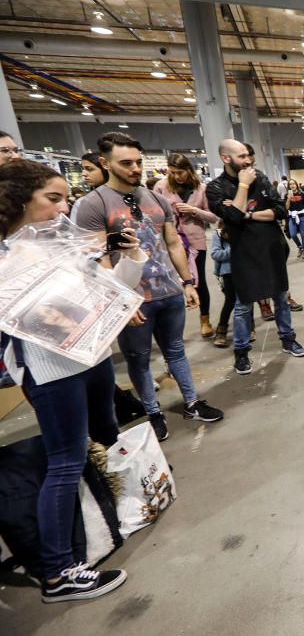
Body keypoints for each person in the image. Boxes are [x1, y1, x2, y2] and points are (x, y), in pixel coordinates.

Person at [0, 160, 142, 602]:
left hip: (93, 358)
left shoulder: (63, 244)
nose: (64, 209)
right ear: (20, 200)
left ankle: (117, 510)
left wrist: (130, 256)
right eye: (53, 198)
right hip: (51, 369)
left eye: (66, 198)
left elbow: (111, 293)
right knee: (66, 460)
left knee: (105, 436)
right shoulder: (7, 256)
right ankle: (59, 571)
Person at [75, 132, 224, 441]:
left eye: (138, 162)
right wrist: (121, 301)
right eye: (126, 163)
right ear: (105, 163)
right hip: (133, 298)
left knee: (177, 351)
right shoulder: (93, 204)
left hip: (168, 292)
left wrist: (188, 282)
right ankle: (153, 411)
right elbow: (97, 257)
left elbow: (172, 242)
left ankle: (192, 401)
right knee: (138, 359)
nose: (135, 168)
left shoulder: (155, 198)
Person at [206, 139, 304, 374]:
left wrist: (248, 214)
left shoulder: (260, 177)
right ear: (226, 158)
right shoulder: (216, 188)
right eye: (241, 156)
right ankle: (241, 353)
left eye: (248, 156)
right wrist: (242, 187)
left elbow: (280, 210)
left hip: (271, 248)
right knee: (243, 306)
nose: (248, 160)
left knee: (281, 298)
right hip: (242, 254)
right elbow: (231, 217)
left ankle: (288, 339)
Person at [154, 153, 218, 338]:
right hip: (170, 242)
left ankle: (204, 319)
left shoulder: (201, 188)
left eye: (180, 172)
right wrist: (169, 215)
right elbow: (154, 217)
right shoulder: (160, 187)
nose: (176, 176)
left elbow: (213, 217)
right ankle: (172, 327)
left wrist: (194, 210)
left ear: (189, 170)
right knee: (172, 283)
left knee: (199, 282)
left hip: (195, 243)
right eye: (172, 172)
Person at [209, 220, 234, 347]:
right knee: (230, 301)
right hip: (228, 272)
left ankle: (250, 327)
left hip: (246, 269)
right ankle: (221, 329)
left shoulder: (244, 228)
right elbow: (215, 253)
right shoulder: (218, 233)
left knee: (247, 300)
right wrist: (234, 249)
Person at [285, 179, 304, 259]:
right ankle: (300, 247)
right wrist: (289, 198)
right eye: (290, 184)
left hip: (302, 216)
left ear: (296, 184)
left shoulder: (302, 194)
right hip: (292, 217)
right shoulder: (287, 195)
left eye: (293, 184)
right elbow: (287, 207)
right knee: (293, 234)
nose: (292, 185)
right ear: (288, 186)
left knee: (303, 235)